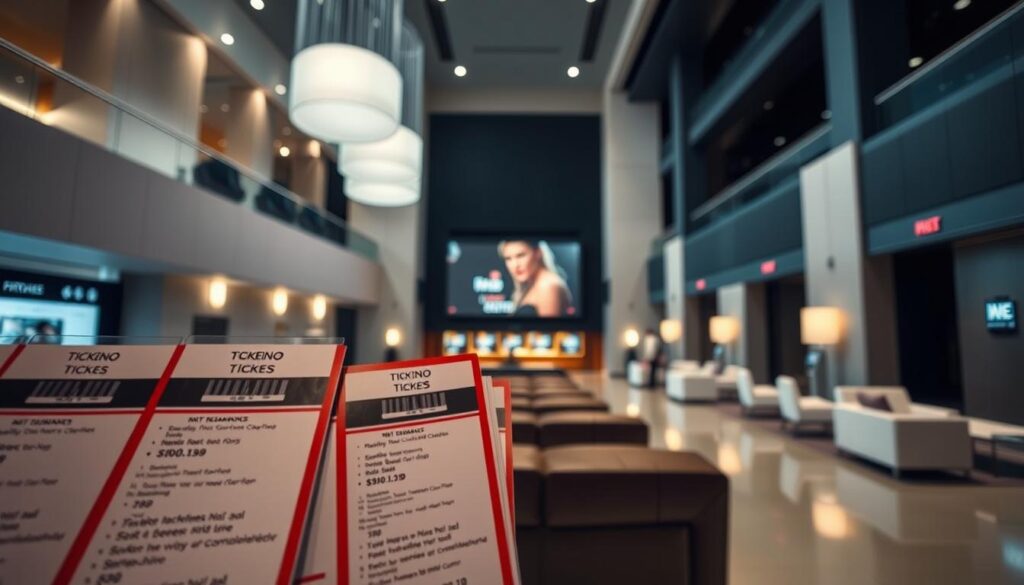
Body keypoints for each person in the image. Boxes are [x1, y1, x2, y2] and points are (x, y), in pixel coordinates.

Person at [497, 240, 574, 317]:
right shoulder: (531, 284)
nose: (515, 265)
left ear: (538, 253)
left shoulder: (548, 286)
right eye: (508, 259)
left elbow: (548, 328)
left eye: (520, 255)